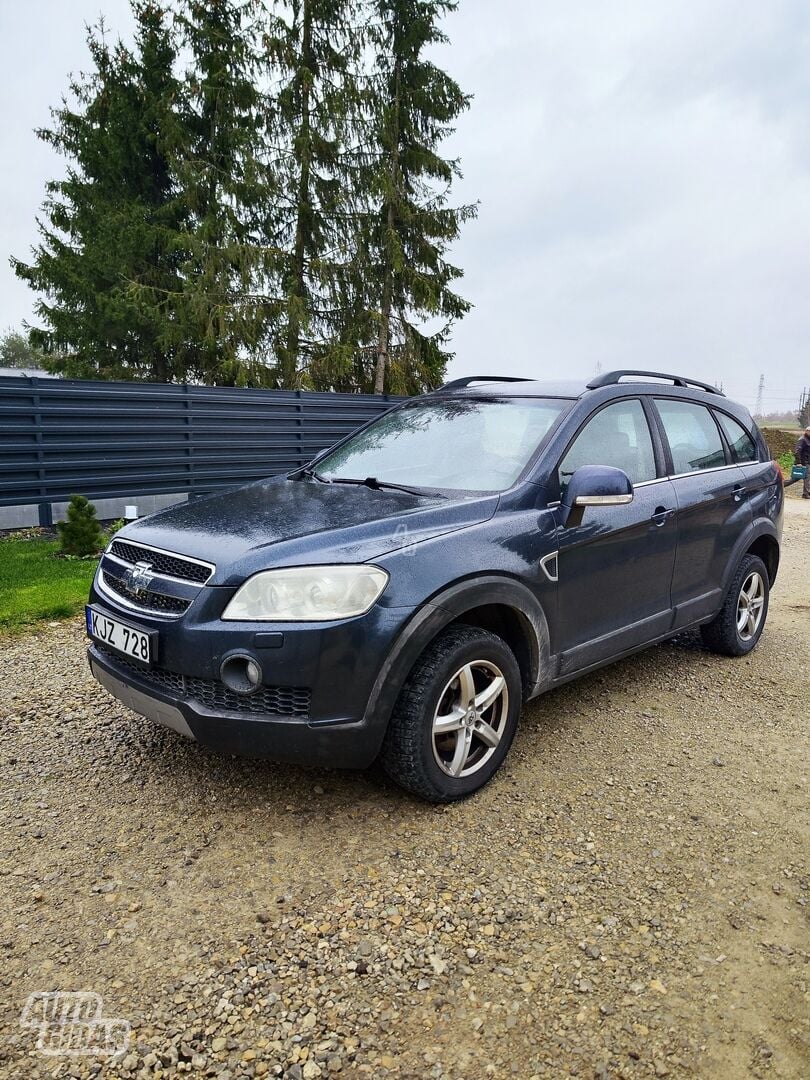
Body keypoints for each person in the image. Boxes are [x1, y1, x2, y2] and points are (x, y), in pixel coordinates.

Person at [795, 425, 810, 498]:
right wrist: (799, 462)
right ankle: (806, 494)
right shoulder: (802, 439)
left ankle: (782, 484)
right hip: (804, 462)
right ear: (806, 431)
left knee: (796, 478)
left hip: (808, 461)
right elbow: (797, 451)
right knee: (807, 477)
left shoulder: (808, 439)